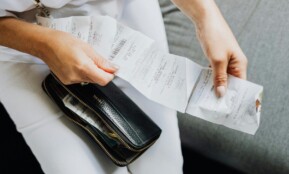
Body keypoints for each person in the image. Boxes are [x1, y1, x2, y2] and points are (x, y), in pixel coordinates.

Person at [0, 0, 247, 173]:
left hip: (115, 12)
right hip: (13, 37)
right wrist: (42, 44)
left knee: (163, 167)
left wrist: (207, 18)